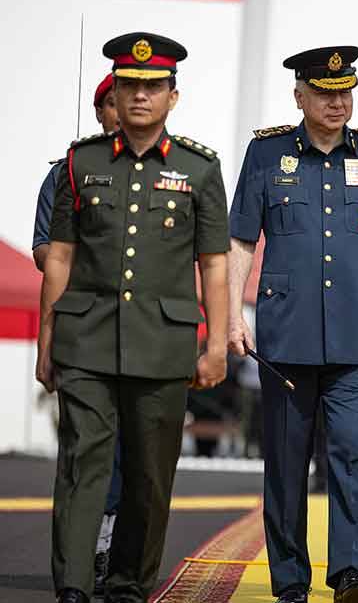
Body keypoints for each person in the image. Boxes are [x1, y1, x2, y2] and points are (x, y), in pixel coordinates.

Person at [36, 32, 230, 603]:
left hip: (163, 345)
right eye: (129, 85)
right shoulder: (81, 163)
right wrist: (47, 342)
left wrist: (216, 344)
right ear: (114, 96)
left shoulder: (201, 169)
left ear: (173, 96)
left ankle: (128, 584)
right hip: (86, 339)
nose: (140, 95)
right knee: (81, 465)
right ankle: (72, 583)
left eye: (153, 86)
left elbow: (214, 267)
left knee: (149, 476)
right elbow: (61, 258)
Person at [227, 45, 358, 603]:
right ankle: (290, 580)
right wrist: (234, 313)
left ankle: (351, 573)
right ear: (300, 96)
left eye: (345, 91)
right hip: (285, 336)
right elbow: (241, 238)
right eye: (326, 93)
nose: (338, 102)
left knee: (353, 454)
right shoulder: (267, 155)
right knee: (285, 464)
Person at [32, 73, 123, 597]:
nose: (121, 111)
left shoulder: (174, 170)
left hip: (143, 333)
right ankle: (80, 556)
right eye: (110, 104)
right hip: (85, 327)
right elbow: (47, 249)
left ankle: (115, 546)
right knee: (86, 450)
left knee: (134, 458)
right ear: (99, 113)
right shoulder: (66, 173)